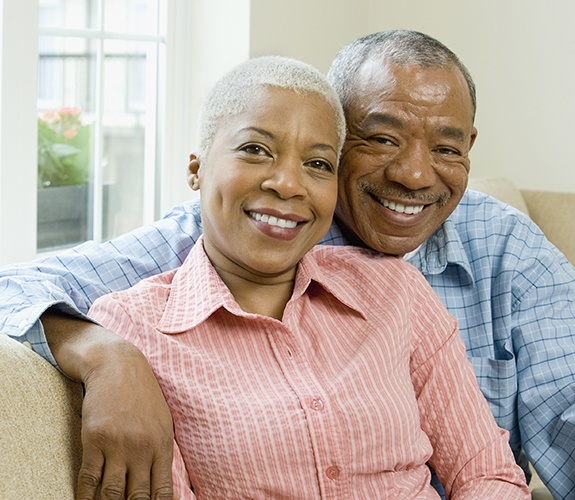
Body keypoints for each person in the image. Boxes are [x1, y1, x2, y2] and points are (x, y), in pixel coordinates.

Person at [0, 29, 573, 498]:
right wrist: (106, 352)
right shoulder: (183, 258)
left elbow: (520, 445)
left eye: (446, 148)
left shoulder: (475, 256)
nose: (414, 175)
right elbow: (14, 287)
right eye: (382, 139)